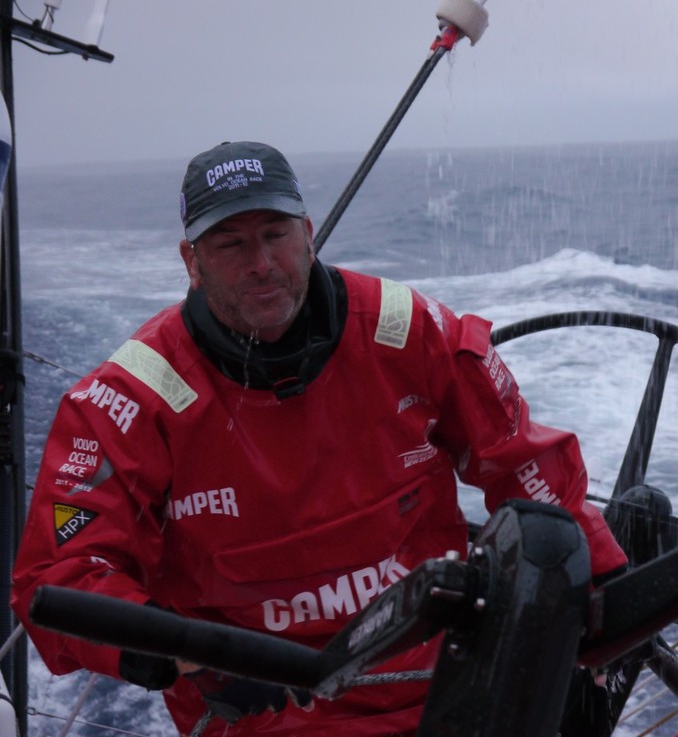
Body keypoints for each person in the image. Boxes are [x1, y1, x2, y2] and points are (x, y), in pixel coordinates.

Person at [11, 141, 628, 736]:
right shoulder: (131, 398)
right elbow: (59, 576)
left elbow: (524, 465)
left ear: (307, 234)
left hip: (444, 684)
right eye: (230, 244)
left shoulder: (409, 330)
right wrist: (166, 650)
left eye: (276, 235)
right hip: (264, 711)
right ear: (190, 261)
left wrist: (598, 594)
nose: (261, 263)